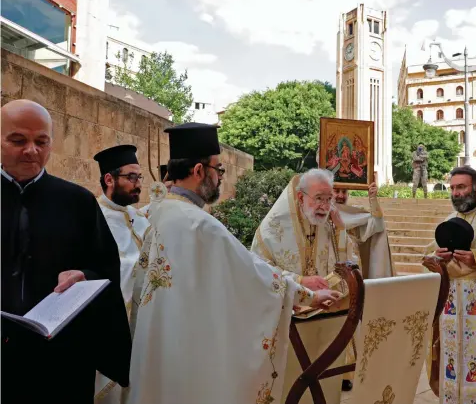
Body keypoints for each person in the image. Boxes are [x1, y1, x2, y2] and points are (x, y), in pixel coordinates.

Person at [123, 122, 340, 404]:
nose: (221, 177)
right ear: (199, 170)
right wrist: (308, 294)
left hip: (159, 349)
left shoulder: (155, 212)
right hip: (189, 356)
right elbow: (251, 276)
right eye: (218, 169)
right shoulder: (199, 225)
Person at [1, 99, 131, 404]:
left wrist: (84, 275)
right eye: (18, 140)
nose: (31, 150)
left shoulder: (78, 202)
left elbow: (107, 269)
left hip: (61, 356)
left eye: (41, 141)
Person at [251, 169, 393, 398]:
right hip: (290, 319)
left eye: (329, 199)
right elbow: (257, 271)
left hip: (327, 316)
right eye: (319, 198)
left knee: (324, 386)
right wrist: (299, 282)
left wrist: (339, 233)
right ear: (300, 197)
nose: (325, 206)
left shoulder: (330, 223)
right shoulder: (273, 227)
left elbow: (347, 262)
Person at [424, 166, 476, 404]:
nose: (456, 193)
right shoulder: (449, 222)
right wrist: (436, 258)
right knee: (454, 367)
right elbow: (428, 256)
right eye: (452, 188)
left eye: (461, 187)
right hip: (451, 314)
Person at [93, 145, 150, 403]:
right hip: (111, 325)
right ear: (109, 179)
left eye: (139, 177)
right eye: (131, 177)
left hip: (145, 324)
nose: (138, 184)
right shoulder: (92, 218)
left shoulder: (139, 217)